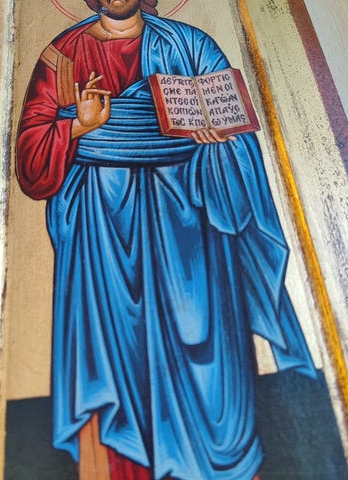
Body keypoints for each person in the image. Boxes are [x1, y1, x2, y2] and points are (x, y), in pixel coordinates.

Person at [16, 1, 316, 478]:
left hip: (190, 229)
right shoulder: (63, 55)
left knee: (210, 362)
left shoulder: (192, 46)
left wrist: (219, 139)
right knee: (122, 360)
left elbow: (237, 128)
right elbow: (31, 161)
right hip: (102, 234)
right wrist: (78, 125)